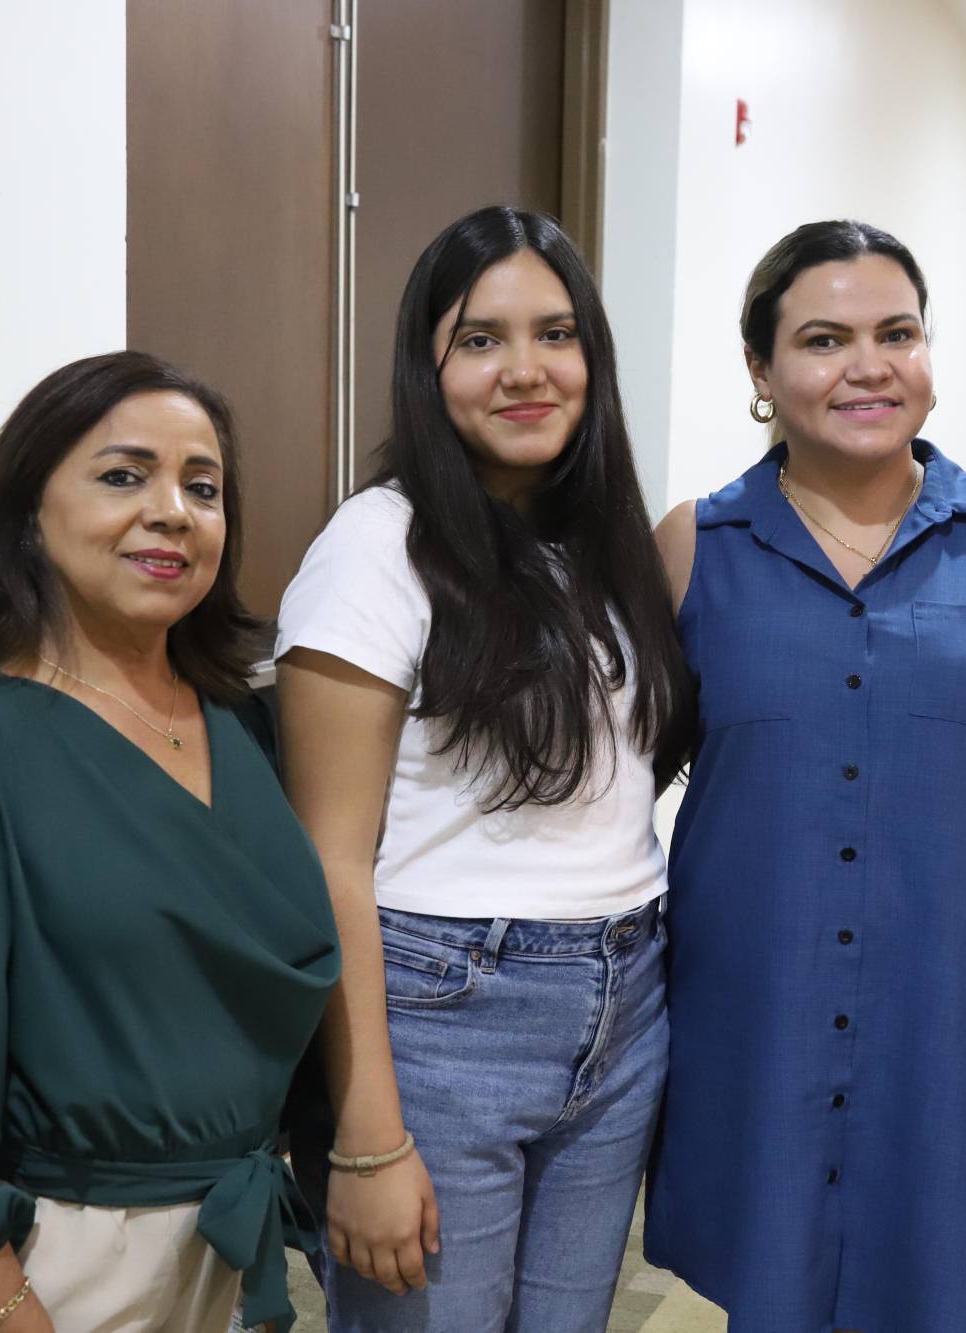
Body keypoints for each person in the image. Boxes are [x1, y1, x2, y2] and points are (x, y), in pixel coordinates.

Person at [0, 351, 340, 1333]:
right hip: (60, 1265)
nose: (173, 511)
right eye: (121, 475)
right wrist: (6, 1306)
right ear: (26, 514)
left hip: (231, 1254)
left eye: (203, 485)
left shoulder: (242, 726)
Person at [274, 205, 692, 1333]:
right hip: (442, 1011)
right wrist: (366, 1133)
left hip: (621, 1002)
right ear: (427, 365)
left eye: (555, 335)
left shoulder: (603, 551)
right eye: (479, 340)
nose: (525, 370)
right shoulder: (376, 544)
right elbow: (326, 858)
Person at [644, 219, 966, 1332]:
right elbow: (623, 772)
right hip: (756, 1025)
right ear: (760, 371)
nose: (868, 365)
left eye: (898, 332)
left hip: (944, 1027)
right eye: (824, 339)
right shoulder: (695, 544)